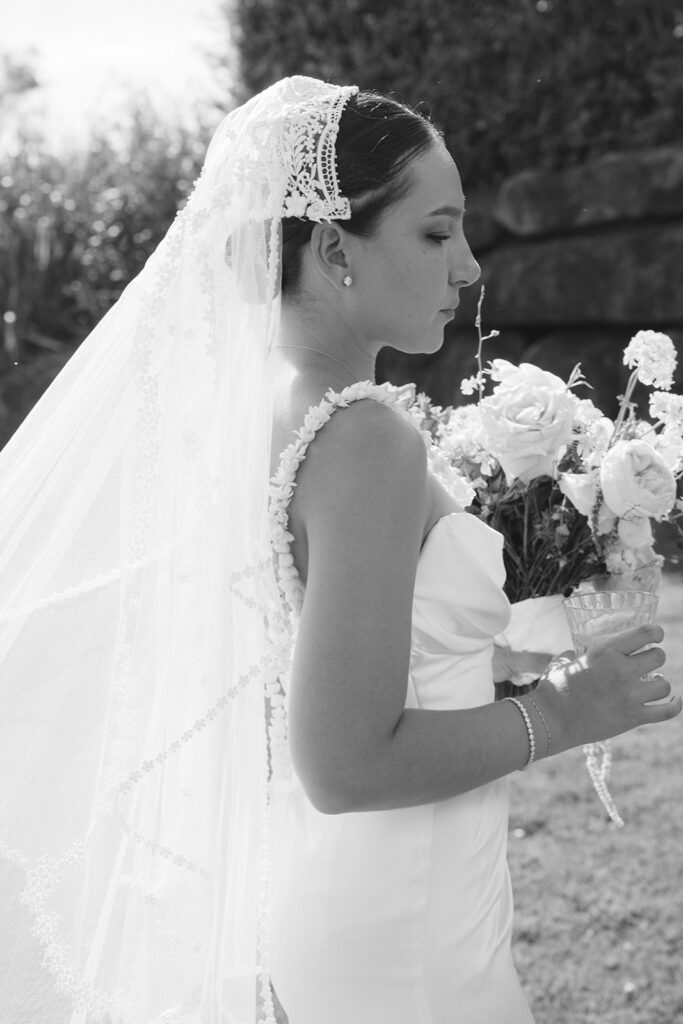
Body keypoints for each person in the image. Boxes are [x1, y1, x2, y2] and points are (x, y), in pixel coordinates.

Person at [0, 76, 678, 1024]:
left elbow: (341, 660)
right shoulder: (365, 438)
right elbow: (347, 760)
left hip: (350, 884)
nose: (469, 267)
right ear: (331, 248)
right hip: (397, 905)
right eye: (436, 233)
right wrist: (569, 712)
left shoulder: (276, 410)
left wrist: (507, 641)